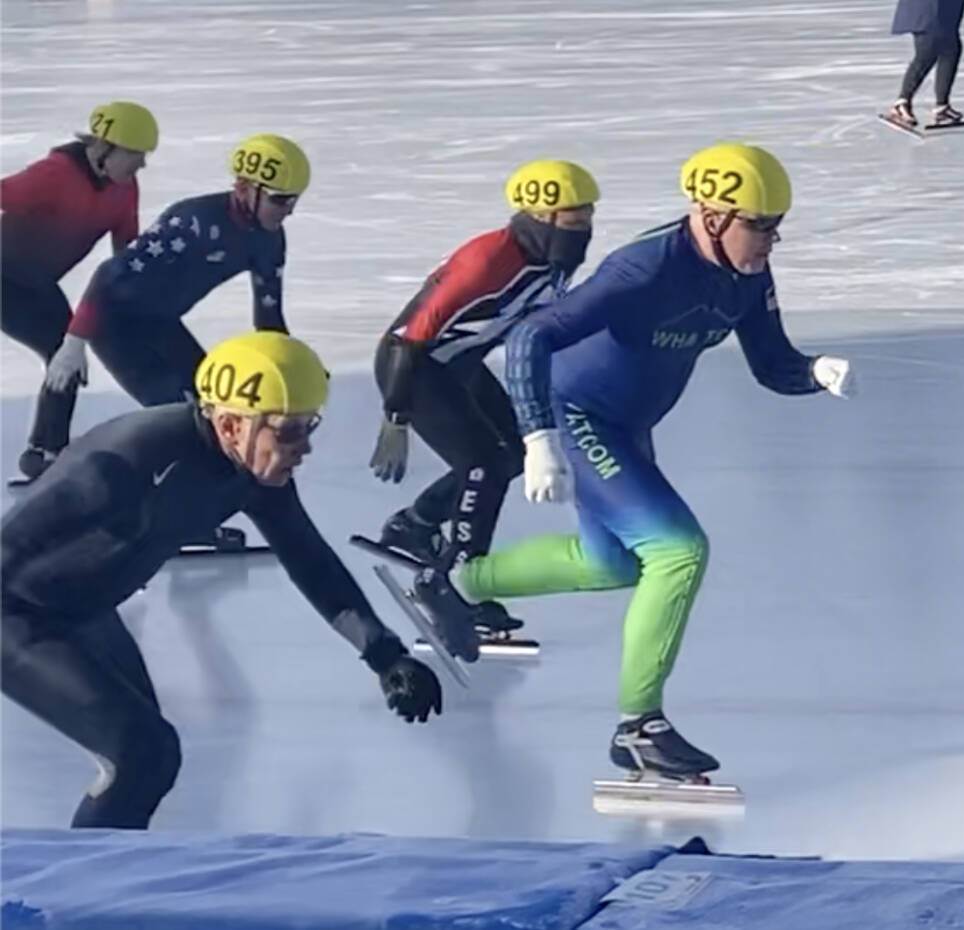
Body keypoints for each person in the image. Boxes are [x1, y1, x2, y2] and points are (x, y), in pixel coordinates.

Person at [415, 143, 853, 778]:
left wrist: (815, 372)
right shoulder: (642, 270)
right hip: (579, 414)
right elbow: (530, 336)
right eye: (760, 225)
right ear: (712, 215)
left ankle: (456, 581)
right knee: (678, 550)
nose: (771, 241)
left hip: (626, 423)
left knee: (612, 560)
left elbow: (773, 366)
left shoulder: (749, 277)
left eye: (777, 227)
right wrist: (537, 437)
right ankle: (639, 726)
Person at [0, 331, 442, 829]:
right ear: (232, 424)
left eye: (310, 426)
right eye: (291, 430)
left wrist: (385, 655)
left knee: (146, 760)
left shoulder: (252, 473)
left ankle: (101, 880)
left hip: (85, 612)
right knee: (143, 753)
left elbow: (311, 561)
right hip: (16, 618)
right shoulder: (132, 457)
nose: (307, 446)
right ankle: (77, 893)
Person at [368, 159, 598, 573]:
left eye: (588, 216)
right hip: (412, 365)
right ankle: (462, 574)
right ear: (540, 216)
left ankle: (415, 525)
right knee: (484, 464)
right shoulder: (487, 262)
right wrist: (395, 417)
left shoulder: (555, 257)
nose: (583, 228)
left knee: (511, 453)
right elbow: (409, 337)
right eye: (574, 219)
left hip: (460, 365)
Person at [46, 132, 309, 410]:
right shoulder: (194, 221)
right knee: (179, 412)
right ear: (244, 189)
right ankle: (45, 450)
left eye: (294, 200)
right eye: (279, 200)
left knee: (216, 401)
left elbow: (269, 320)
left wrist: (292, 369)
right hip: (113, 323)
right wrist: (74, 343)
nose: (289, 211)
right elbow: (108, 275)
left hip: (161, 321)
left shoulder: (270, 240)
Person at [1, 101, 157, 480]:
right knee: (62, 351)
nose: (142, 165)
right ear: (103, 148)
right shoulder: (54, 174)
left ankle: (46, 452)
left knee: (68, 357)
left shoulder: (124, 189)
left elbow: (127, 254)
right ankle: (47, 451)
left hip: (36, 286)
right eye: (135, 155)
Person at [884, 0, 964, 129]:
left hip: (944, 11)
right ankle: (901, 104)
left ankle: (942, 107)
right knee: (927, 51)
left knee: (950, 49)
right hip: (928, 10)